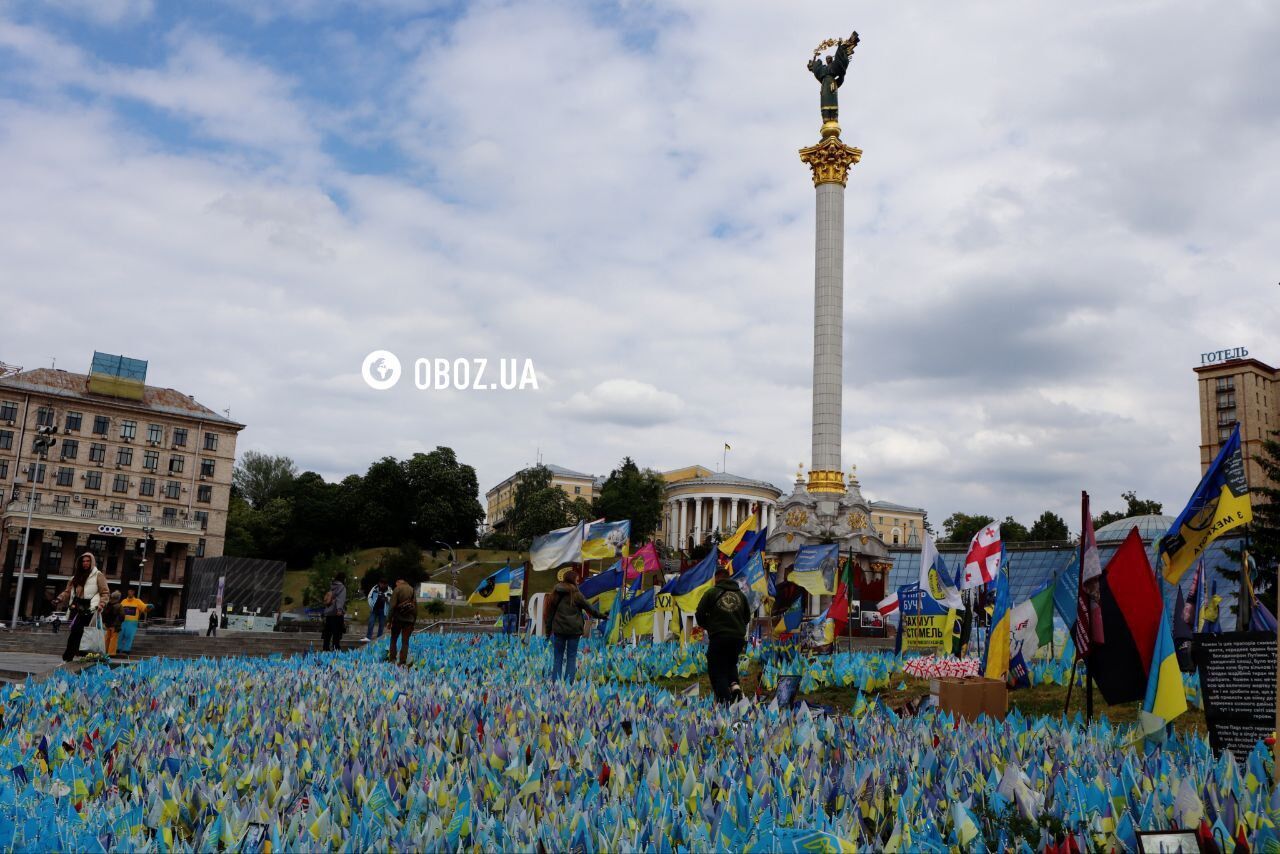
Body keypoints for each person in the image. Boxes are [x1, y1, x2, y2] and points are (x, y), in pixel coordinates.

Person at [696, 566, 752, 703]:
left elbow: (699, 614)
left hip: (719, 637)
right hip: (738, 638)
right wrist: (737, 627)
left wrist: (709, 627)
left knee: (717, 669)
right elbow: (747, 617)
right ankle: (735, 687)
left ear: (717, 578)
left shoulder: (711, 593)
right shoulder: (741, 595)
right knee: (730, 663)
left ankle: (725, 702)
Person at [544, 570, 605, 682]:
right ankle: (568, 687)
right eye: (577, 580)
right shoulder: (577, 595)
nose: (578, 583)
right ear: (572, 580)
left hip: (559, 630)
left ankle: (555, 685)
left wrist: (548, 632)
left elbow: (550, 615)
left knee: (557, 658)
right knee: (571, 658)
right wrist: (604, 616)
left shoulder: (555, 594)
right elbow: (590, 609)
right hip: (574, 632)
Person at [55, 552, 109, 662]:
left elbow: (105, 592)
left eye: (88, 561)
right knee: (76, 632)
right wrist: (59, 598)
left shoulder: (98, 575)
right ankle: (69, 658)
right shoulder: (75, 577)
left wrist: (102, 604)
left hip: (91, 608)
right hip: (78, 608)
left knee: (83, 632)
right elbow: (68, 591)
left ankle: (81, 656)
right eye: (83, 561)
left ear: (92, 562)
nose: (85, 563)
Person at [386, 577, 417, 666]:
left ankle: (392, 659)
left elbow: (392, 607)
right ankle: (402, 661)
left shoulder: (397, 589)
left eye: (396, 584)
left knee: (393, 639)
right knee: (405, 641)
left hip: (398, 619)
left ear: (398, 583)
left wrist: (389, 621)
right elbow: (415, 607)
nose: (396, 586)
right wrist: (414, 621)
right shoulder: (412, 590)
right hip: (409, 620)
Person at [118, 587, 149, 654]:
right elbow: (119, 609)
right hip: (123, 622)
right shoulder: (123, 601)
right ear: (128, 592)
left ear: (134, 592)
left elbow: (143, 607)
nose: (130, 592)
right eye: (129, 591)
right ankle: (118, 648)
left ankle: (126, 649)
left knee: (129, 636)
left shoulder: (137, 601)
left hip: (132, 623)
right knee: (120, 636)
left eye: (132, 591)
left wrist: (148, 607)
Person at [321, 576, 347, 652]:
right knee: (337, 633)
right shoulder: (342, 587)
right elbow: (340, 599)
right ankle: (336, 649)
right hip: (336, 614)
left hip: (329, 613)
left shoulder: (332, 586)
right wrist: (339, 609)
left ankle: (325, 649)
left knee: (327, 633)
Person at [101, 592, 124, 657]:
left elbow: (103, 614)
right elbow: (122, 616)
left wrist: (105, 622)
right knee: (113, 639)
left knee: (107, 638)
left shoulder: (108, 604)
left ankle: (105, 651)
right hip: (115, 625)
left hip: (108, 624)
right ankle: (111, 653)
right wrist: (120, 622)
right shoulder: (119, 605)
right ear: (118, 598)